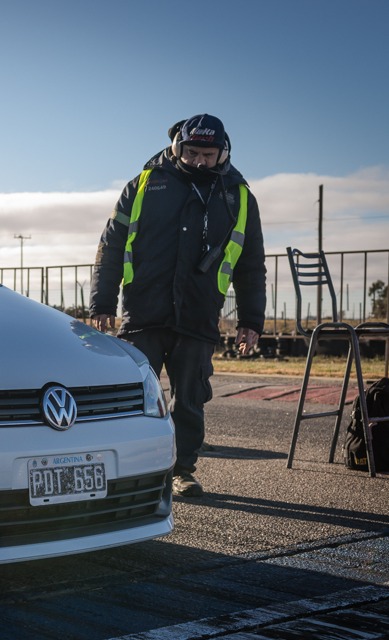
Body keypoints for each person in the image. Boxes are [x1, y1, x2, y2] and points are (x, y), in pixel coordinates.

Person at [89, 114, 266, 498]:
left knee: (189, 400)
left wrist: (251, 320)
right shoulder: (143, 184)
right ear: (176, 147)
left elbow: (251, 265)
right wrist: (102, 301)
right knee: (135, 399)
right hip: (144, 314)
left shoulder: (239, 197)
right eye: (192, 153)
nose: (199, 161)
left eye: (208, 154)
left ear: (223, 153)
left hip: (198, 314)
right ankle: (130, 472)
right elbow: (111, 246)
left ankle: (181, 470)